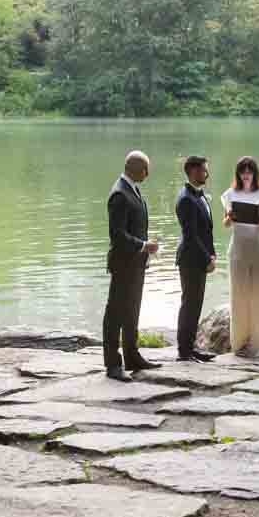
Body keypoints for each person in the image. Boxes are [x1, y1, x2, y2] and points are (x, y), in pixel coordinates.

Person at [102, 150, 160, 381]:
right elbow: (117, 235)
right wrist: (144, 245)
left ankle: (132, 356)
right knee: (115, 313)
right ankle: (113, 365)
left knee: (132, 311)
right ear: (134, 168)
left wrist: (144, 248)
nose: (148, 173)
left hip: (136, 264)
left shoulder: (132, 189)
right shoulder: (119, 194)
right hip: (123, 264)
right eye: (146, 169)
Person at [220, 156, 259, 358]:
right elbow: (226, 224)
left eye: (250, 170)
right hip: (238, 250)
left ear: (255, 173)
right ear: (238, 173)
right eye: (243, 171)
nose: (246, 174)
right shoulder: (230, 194)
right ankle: (240, 342)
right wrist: (229, 217)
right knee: (239, 295)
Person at [174, 155, 217, 363]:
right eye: (203, 170)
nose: (206, 174)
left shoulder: (200, 196)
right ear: (192, 171)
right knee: (189, 305)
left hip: (200, 258)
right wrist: (207, 257)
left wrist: (213, 253)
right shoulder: (185, 199)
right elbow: (190, 236)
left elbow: (206, 231)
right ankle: (184, 351)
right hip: (190, 259)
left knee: (196, 304)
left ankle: (191, 348)